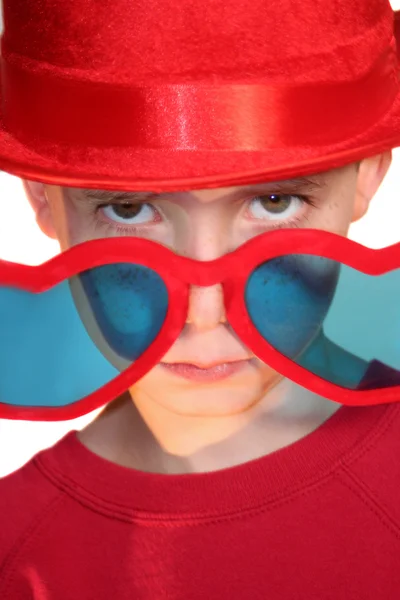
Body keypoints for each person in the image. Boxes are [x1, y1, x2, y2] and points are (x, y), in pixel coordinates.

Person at [1, 0, 400, 597]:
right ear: (41, 198)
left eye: (273, 202)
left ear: (368, 172)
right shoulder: (18, 555)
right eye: (130, 209)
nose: (204, 311)